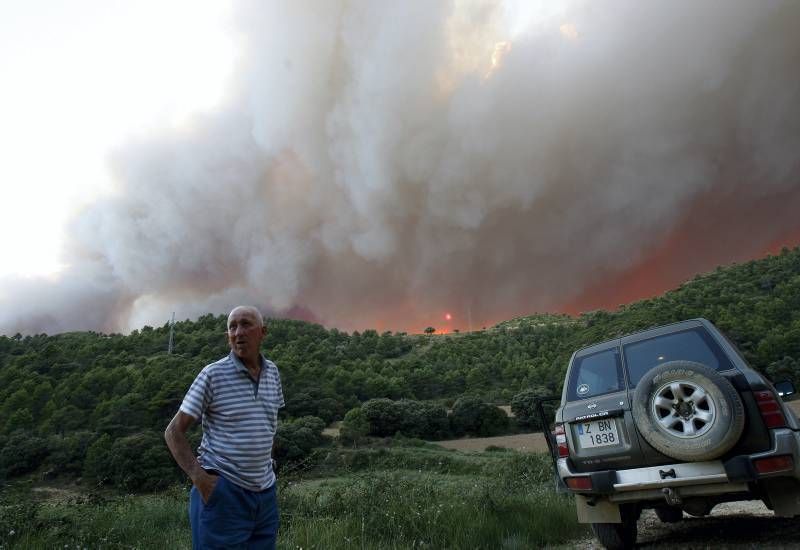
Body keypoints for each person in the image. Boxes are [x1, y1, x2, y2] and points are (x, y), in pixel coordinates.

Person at [165, 306, 284, 549]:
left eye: (246, 324)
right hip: (224, 492)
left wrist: (270, 465)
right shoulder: (213, 374)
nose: (238, 332)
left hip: (265, 495)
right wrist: (201, 480)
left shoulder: (272, 372)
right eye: (232, 327)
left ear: (263, 332)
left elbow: (269, 424)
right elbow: (173, 431)